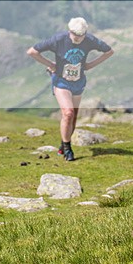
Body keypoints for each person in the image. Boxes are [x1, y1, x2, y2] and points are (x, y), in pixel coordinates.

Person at [27, 17, 114, 161]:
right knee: (67, 113)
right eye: (75, 35)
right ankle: (68, 149)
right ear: (69, 31)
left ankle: (63, 143)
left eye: (81, 36)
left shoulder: (90, 40)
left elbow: (109, 51)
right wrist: (50, 64)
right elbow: (32, 52)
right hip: (61, 81)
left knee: (73, 117)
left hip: (78, 82)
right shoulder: (58, 39)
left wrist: (90, 65)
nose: (78, 39)